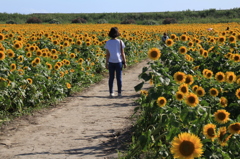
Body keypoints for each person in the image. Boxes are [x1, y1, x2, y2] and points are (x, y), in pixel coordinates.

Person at [104, 27, 127, 97]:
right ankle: (119, 93)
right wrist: (125, 62)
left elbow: (107, 54)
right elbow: (122, 53)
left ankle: (111, 93)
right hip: (118, 61)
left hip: (111, 61)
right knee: (119, 78)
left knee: (111, 77)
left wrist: (106, 62)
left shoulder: (108, 42)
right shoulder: (120, 42)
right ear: (117, 34)